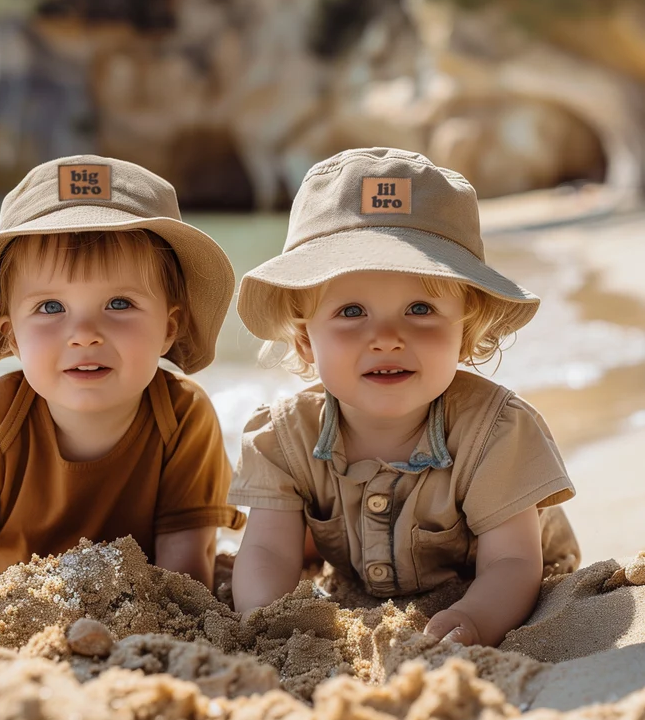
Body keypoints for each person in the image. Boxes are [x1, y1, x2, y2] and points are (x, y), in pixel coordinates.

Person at [228, 147, 580, 647]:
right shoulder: (283, 437)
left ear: (465, 330)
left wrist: (477, 618)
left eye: (420, 308)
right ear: (307, 340)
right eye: (351, 312)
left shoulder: (494, 431)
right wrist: (265, 619)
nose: (387, 337)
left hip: (507, 582)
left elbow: (513, 562)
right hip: (365, 577)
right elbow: (267, 552)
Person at [0, 155, 244, 619]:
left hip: (134, 605)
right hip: (8, 610)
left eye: (119, 303)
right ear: (12, 335)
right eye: (51, 307)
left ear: (169, 328)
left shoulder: (182, 416)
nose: (84, 333)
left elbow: (185, 561)